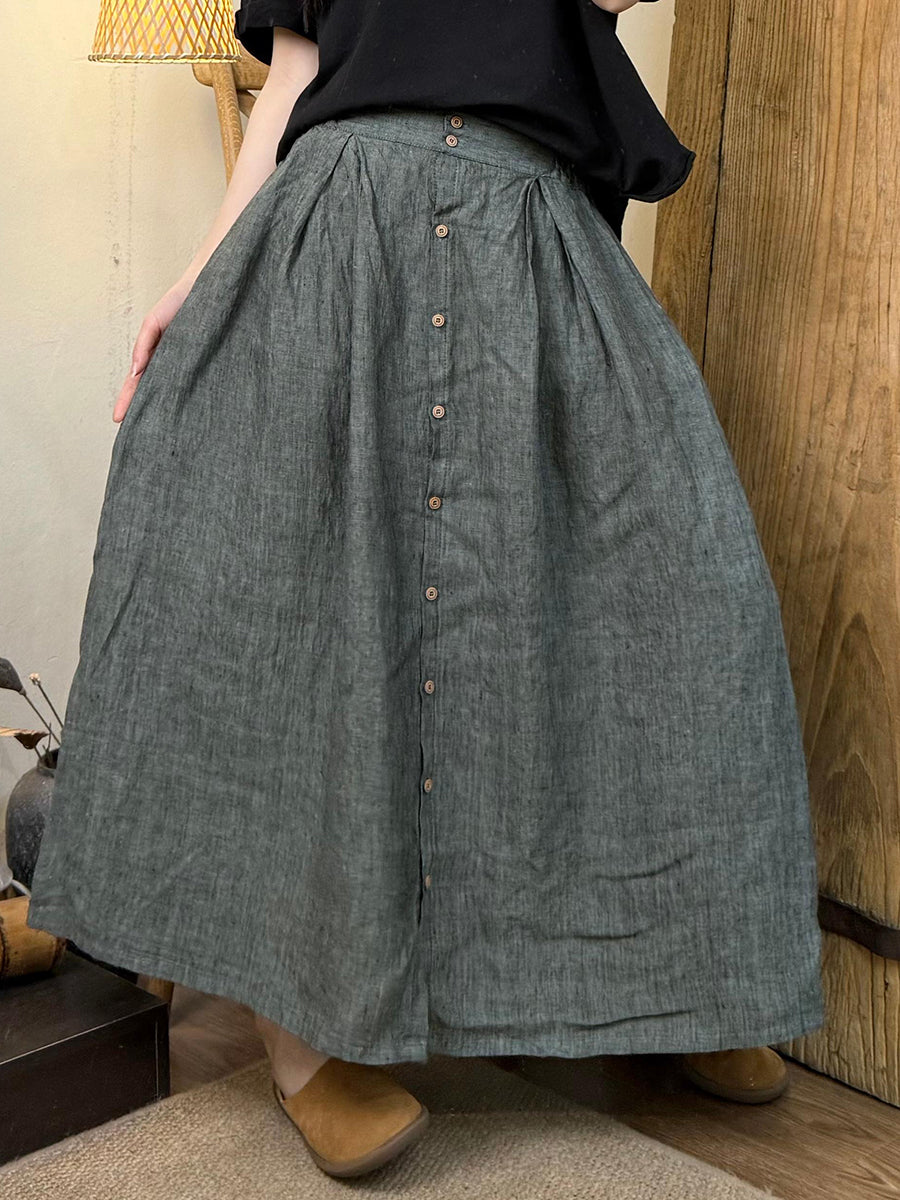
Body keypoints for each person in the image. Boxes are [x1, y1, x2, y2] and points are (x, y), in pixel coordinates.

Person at [26, 0, 826, 1179]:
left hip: (534, 234)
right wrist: (196, 276)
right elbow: (289, 89)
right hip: (333, 235)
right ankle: (301, 1041)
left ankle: (677, 982)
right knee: (293, 616)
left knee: (661, 603)